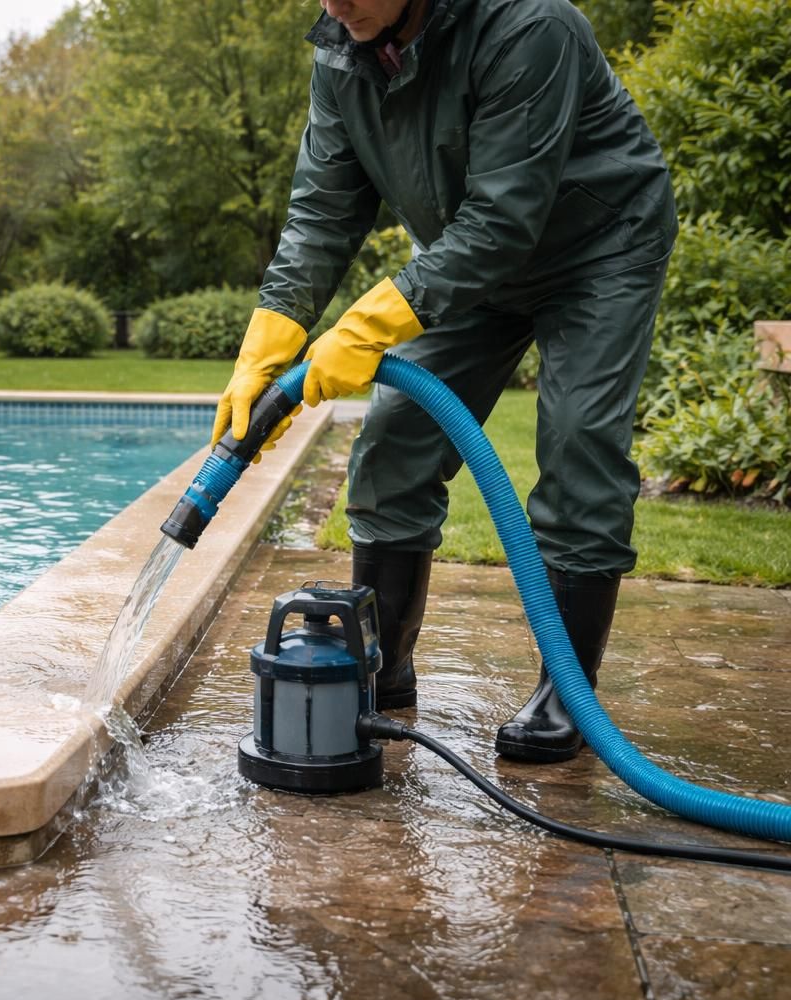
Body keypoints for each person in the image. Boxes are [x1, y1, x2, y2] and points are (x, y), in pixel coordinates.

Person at [212, 0, 677, 762]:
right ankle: (384, 664)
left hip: (598, 249)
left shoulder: (530, 27)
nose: (336, 3)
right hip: (467, 265)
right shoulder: (341, 52)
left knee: (579, 442)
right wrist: (272, 332)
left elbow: (504, 215)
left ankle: (570, 692)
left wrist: (364, 326)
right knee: (394, 440)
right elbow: (323, 209)